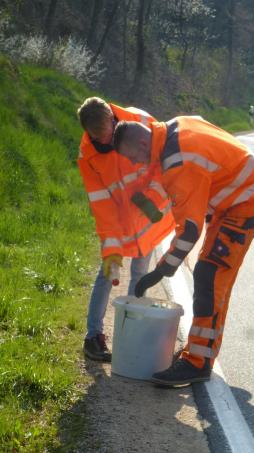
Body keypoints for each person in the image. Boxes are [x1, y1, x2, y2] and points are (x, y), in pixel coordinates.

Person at [111, 116, 254, 386]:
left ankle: (198, 362)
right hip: (235, 197)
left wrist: (162, 269)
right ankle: (202, 352)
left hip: (247, 199)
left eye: (133, 157)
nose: (135, 163)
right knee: (212, 275)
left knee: (209, 276)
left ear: (143, 142)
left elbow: (189, 230)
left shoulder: (178, 163)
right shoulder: (174, 127)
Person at [76, 97, 175, 362]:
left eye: (107, 134)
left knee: (140, 273)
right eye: (97, 137)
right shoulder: (88, 156)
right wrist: (111, 246)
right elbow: (101, 203)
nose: (105, 142)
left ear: (112, 116)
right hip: (119, 221)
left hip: (147, 214)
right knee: (107, 273)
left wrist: (151, 200)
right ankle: (93, 337)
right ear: (87, 131)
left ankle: (131, 334)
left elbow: (162, 156)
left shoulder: (140, 121)